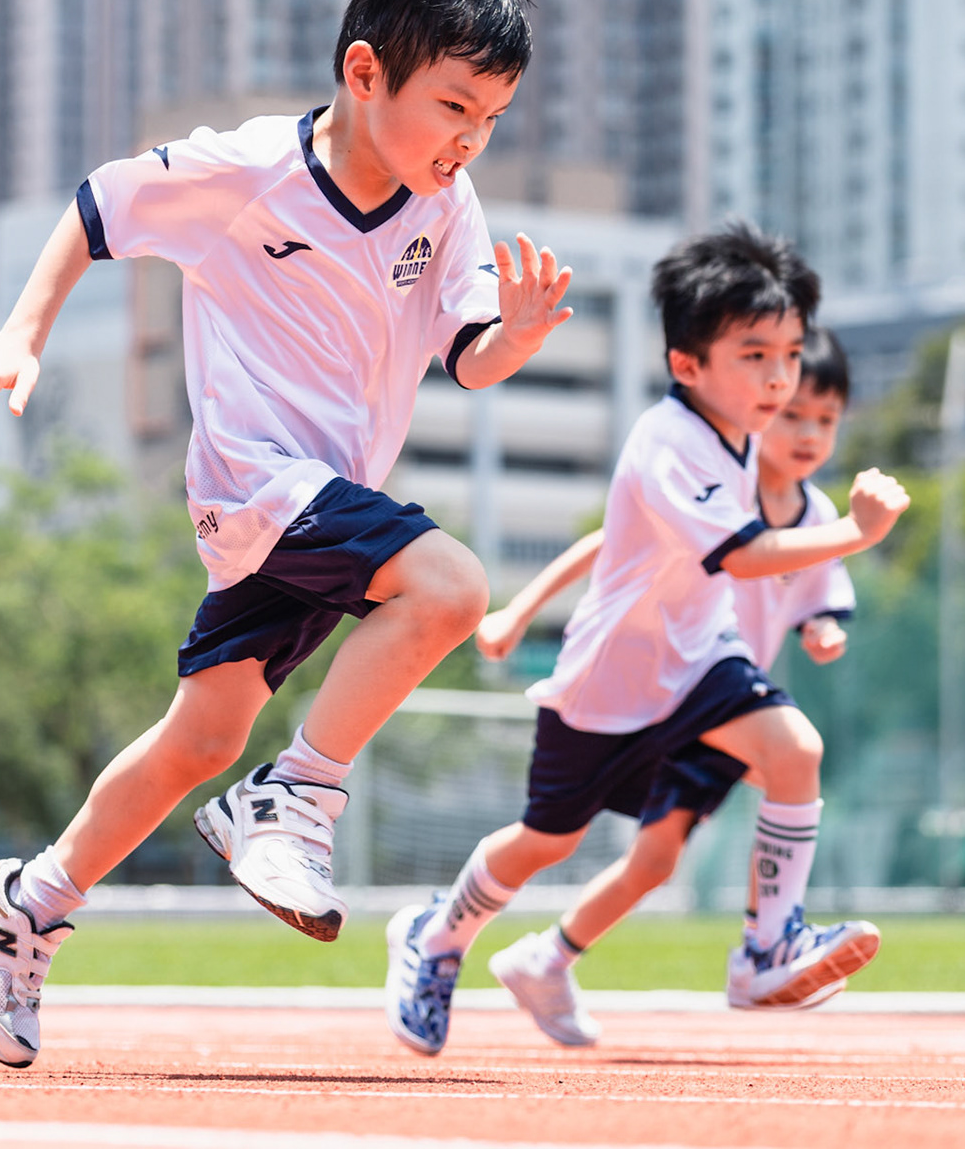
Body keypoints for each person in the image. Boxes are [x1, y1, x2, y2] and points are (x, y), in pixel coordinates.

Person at [0, 0, 574, 1070]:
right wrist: (17, 334)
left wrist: (515, 335)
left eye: (490, 120)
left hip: (320, 508)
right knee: (449, 585)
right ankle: (294, 799)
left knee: (200, 736)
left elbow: (467, 352)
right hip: (254, 486)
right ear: (365, 70)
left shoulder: (446, 207)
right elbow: (96, 207)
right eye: (452, 108)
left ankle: (22, 906)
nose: (469, 141)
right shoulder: (246, 173)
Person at [385, 226, 910, 1056]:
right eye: (754, 356)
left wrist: (824, 605)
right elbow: (743, 552)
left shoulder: (739, 437)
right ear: (688, 365)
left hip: (702, 659)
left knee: (795, 750)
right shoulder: (669, 445)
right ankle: (437, 935)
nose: (778, 379)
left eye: (789, 354)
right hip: (610, 683)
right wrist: (857, 531)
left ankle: (766, 949)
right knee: (545, 842)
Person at [472, 329, 860, 1045]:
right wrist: (520, 609)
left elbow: (819, 594)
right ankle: (766, 946)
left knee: (656, 860)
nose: (805, 432)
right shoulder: (706, 478)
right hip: (663, 685)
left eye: (825, 420)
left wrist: (823, 628)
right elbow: (603, 546)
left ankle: (547, 957)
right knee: (775, 767)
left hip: (722, 698)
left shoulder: (819, 517)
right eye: (791, 412)